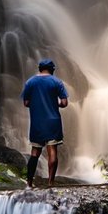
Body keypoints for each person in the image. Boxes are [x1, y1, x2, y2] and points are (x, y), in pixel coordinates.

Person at [21, 58, 69, 188]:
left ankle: (29, 183)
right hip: (53, 121)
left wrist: (37, 104)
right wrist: (54, 103)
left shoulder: (30, 82)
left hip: (37, 122)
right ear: (52, 69)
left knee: (35, 153)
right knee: (52, 151)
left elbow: (26, 103)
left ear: (39, 68)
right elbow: (64, 103)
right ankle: (50, 183)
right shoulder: (57, 82)